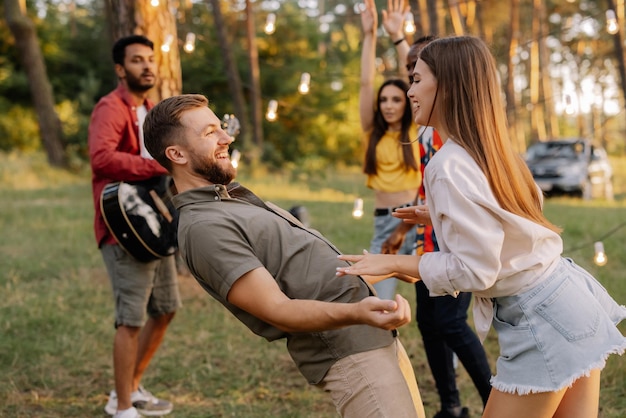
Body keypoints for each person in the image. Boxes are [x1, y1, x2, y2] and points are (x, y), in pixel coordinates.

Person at [337, 35, 626, 418]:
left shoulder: (448, 164)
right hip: (570, 299)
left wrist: (395, 264)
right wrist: (440, 213)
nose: (409, 91)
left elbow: (476, 269)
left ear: (448, 85)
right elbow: (517, 210)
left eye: (417, 79)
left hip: (543, 321)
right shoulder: (492, 146)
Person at [142, 93, 426, 418]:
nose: (226, 137)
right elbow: (279, 310)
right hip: (350, 353)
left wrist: (388, 266)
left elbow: (307, 273)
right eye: (210, 133)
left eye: (220, 128)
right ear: (176, 154)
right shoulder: (204, 227)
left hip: (371, 338)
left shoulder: (228, 200)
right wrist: (358, 313)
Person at [381, 37, 492, 418]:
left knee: (450, 322)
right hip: (429, 241)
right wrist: (407, 226)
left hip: (452, 247)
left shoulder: (451, 133)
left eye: (417, 76)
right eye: (409, 74)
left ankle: (494, 400)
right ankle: (450, 406)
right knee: (430, 324)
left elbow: (451, 187)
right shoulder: (427, 130)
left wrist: (398, 38)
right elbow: (431, 185)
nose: (410, 86)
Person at [88, 35, 180, 418]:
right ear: (120, 69)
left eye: (150, 60)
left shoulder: (153, 110)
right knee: (131, 319)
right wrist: (156, 167)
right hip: (123, 227)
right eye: (137, 60)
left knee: (166, 310)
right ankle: (123, 407)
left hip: (153, 225)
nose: (147, 66)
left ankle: (129, 388)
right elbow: (101, 157)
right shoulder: (110, 108)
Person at [359, 0, 421, 300]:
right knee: (378, 302)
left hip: (420, 222)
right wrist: (370, 35)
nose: (389, 105)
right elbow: (365, 83)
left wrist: (398, 37)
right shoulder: (372, 132)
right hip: (386, 223)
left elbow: (415, 77)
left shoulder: (415, 130)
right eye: (384, 100)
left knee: (438, 320)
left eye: (397, 99)